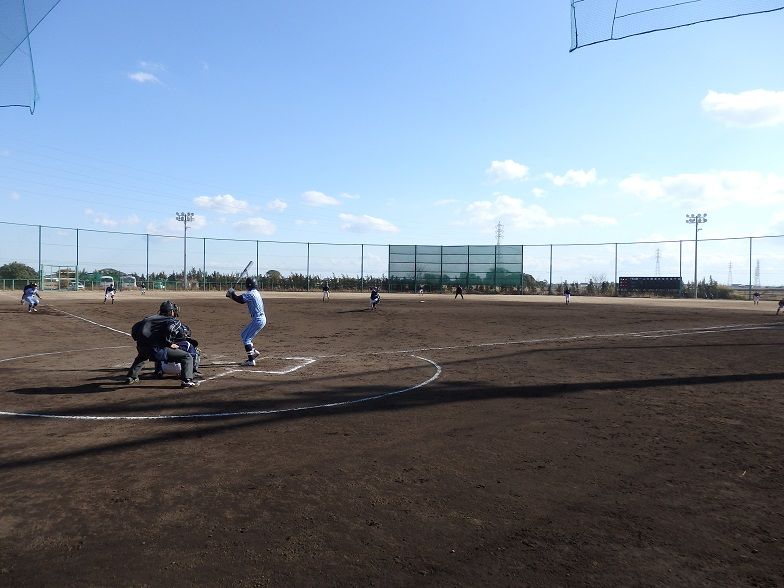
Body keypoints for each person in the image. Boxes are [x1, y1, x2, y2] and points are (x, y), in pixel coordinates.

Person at [126, 300, 200, 388]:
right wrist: (169, 344)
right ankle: (187, 381)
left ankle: (131, 377)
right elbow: (171, 329)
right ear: (171, 311)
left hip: (141, 347)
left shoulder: (149, 318)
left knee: (142, 357)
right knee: (187, 357)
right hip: (156, 350)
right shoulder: (171, 320)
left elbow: (135, 329)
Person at [226, 277, 267, 366]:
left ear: (248, 285)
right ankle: (253, 352)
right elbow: (239, 299)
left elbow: (240, 300)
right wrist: (232, 296)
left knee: (246, 339)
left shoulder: (251, 294)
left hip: (258, 319)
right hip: (259, 319)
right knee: (244, 335)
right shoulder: (255, 292)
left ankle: (251, 360)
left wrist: (232, 293)